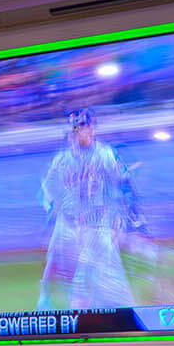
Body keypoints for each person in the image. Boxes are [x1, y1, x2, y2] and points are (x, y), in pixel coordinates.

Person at [36, 108, 150, 309]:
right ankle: (48, 301)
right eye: (76, 128)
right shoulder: (63, 159)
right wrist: (54, 214)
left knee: (105, 277)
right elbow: (49, 188)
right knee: (58, 262)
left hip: (97, 223)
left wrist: (133, 219)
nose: (79, 131)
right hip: (70, 221)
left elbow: (123, 182)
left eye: (83, 126)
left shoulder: (104, 154)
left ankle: (121, 315)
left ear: (91, 128)